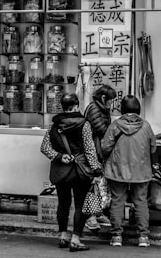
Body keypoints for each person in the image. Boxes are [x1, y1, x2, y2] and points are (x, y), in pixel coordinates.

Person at [40, 93, 103, 252]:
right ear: (76, 106)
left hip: (60, 171)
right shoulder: (84, 124)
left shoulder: (54, 125)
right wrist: (96, 170)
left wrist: (60, 157)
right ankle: (75, 239)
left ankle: (63, 236)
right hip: (80, 171)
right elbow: (89, 150)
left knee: (63, 203)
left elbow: (45, 148)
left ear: (62, 106)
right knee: (80, 204)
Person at [101, 95, 157, 248]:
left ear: (122, 110)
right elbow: (153, 148)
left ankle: (117, 236)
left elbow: (105, 147)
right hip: (141, 171)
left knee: (117, 202)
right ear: (138, 109)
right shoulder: (146, 126)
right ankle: (143, 237)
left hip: (118, 170)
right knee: (141, 202)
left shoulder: (114, 126)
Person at [83, 84, 117, 230]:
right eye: (110, 100)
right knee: (92, 184)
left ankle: (97, 213)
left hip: (99, 151)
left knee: (99, 184)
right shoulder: (94, 109)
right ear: (103, 98)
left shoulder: (102, 108)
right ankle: (90, 217)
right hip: (92, 151)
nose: (112, 103)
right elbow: (102, 129)